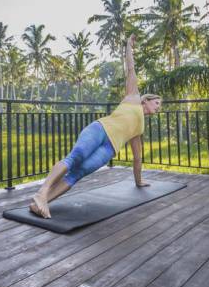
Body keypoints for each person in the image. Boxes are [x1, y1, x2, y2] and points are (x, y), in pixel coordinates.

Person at [29, 34, 162, 219]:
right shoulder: (133, 96)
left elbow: (137, 159)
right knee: (76, 157)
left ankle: (41, 203)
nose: (158, 107)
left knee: (78, 173)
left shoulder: (139, 128)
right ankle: (41, 193)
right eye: (157, 103)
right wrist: (128, 46)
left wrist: (139, 182)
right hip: (100, 130)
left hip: (109, 149)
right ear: (146, 100)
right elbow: (131, 68)